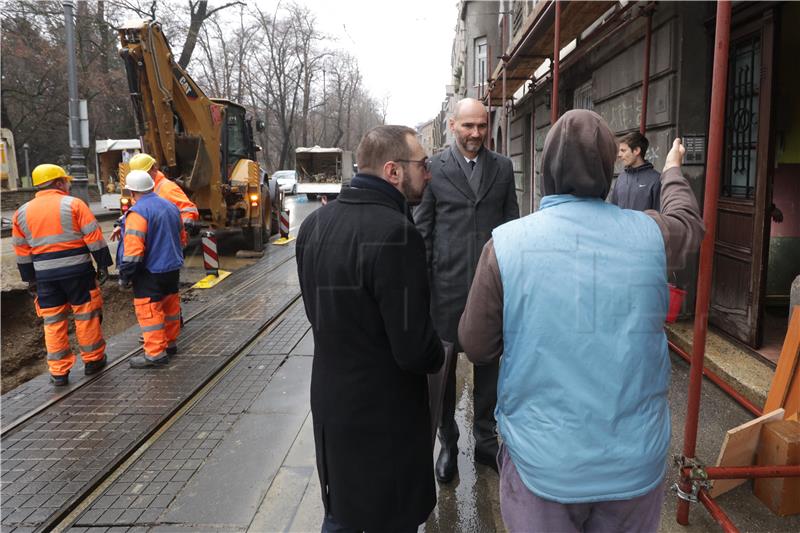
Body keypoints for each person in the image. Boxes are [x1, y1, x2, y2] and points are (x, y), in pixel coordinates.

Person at [458, 110, 705, 532]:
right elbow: (690, 226)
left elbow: (477, 345)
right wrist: (674, 172)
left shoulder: (506, 245)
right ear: (608, 169)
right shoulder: (651, 234)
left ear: (546, 170)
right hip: (633, 466)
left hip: (543, 466)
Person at [296, 125, 444, 533]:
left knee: (342, 513)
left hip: (332, 404)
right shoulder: (397, 234)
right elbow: (413, 349)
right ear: (393, 171)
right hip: (385, 419)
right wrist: (440, 352)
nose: (428, 174)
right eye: (422, 164)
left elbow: (317, 313)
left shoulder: (314, 226)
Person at [414, 97, 519, 481]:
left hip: (491, 291)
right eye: (468, 126)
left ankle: (485, 441)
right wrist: (423, 291)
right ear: (452, 125)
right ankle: (448, 442)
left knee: (488, 368)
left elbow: (512, 229)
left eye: (482, 126)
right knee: (442, 373)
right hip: (445, 291)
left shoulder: (503, 168)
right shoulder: (434, 169)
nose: (476, 134)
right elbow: (423, 232)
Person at [12, 164, 112, 386]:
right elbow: (94, 237)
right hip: (78, 273)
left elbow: (21, 250)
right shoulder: (74, 204)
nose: (68, 184)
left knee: (53, 322)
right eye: (66, 181)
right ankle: (93, 360)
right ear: (58, 182)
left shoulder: (21, 213)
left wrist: (30, 279)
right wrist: (103, 265)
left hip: (45, 278)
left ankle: (59, 372)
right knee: (85, 316)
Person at [117, 170, 185, 368]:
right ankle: (170, 344)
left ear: (132, 192)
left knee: (150, 311)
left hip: (149, 271)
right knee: (170, 306)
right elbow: (181, 238)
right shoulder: (170, 206)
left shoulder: (138, 213)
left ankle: (155, 353)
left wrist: (125, 275)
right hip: (171, 268)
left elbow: (133, 251)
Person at [121, 153, 200, 242]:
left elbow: (188, 210)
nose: (141, 178)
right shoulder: (142, 188)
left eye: (144, 174)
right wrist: (122, 222)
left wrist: (180, 234)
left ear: (154, 169)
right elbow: (137, 211)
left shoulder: (167, 188)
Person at [608, 131, 662, 211]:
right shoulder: (621, 178)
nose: (619, 155)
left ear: (636, 150)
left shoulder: (656, 179)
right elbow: (613, 210)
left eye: (623, 150)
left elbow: (659, 215)